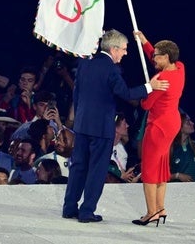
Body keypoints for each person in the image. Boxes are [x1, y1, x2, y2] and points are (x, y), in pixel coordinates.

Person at [62, 29, 169, 223]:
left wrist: (79, 119)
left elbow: (76, 94)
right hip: (102, 128)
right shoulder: (111, 69)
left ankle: (69, 208)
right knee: (97, 169)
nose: (126, 53)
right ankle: (86, 212)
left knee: (78, 166)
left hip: (82, 125)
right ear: (113, 49)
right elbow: (125, 93)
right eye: (124, 49)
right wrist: (149, 87)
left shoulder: (85, 62)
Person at [131, 30, 185, 227]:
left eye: (157, 56)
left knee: (149, 170)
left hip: (159, 126)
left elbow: (145, 105)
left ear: (166, 57)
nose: (153, 57)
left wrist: (150, 86)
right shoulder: (179, 68)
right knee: (162, 167)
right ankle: (161, 208)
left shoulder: (161, 80)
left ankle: (151, 212)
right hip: (173, 122)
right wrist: (145, 42)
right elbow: (155, 55)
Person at [170, 112, 195, 182]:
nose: (192, 123)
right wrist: (178, 175)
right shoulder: (170, 148)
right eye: (188, 122)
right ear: (180, 127)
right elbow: (162, 176)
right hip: (175, 191)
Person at [107, 113, 139, 183]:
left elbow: (123, 175)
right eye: (124, 124)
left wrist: (128, 175)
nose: (127, 126)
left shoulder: (121, 148)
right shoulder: (103, 147)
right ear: (116, 128)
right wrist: (120, 175)